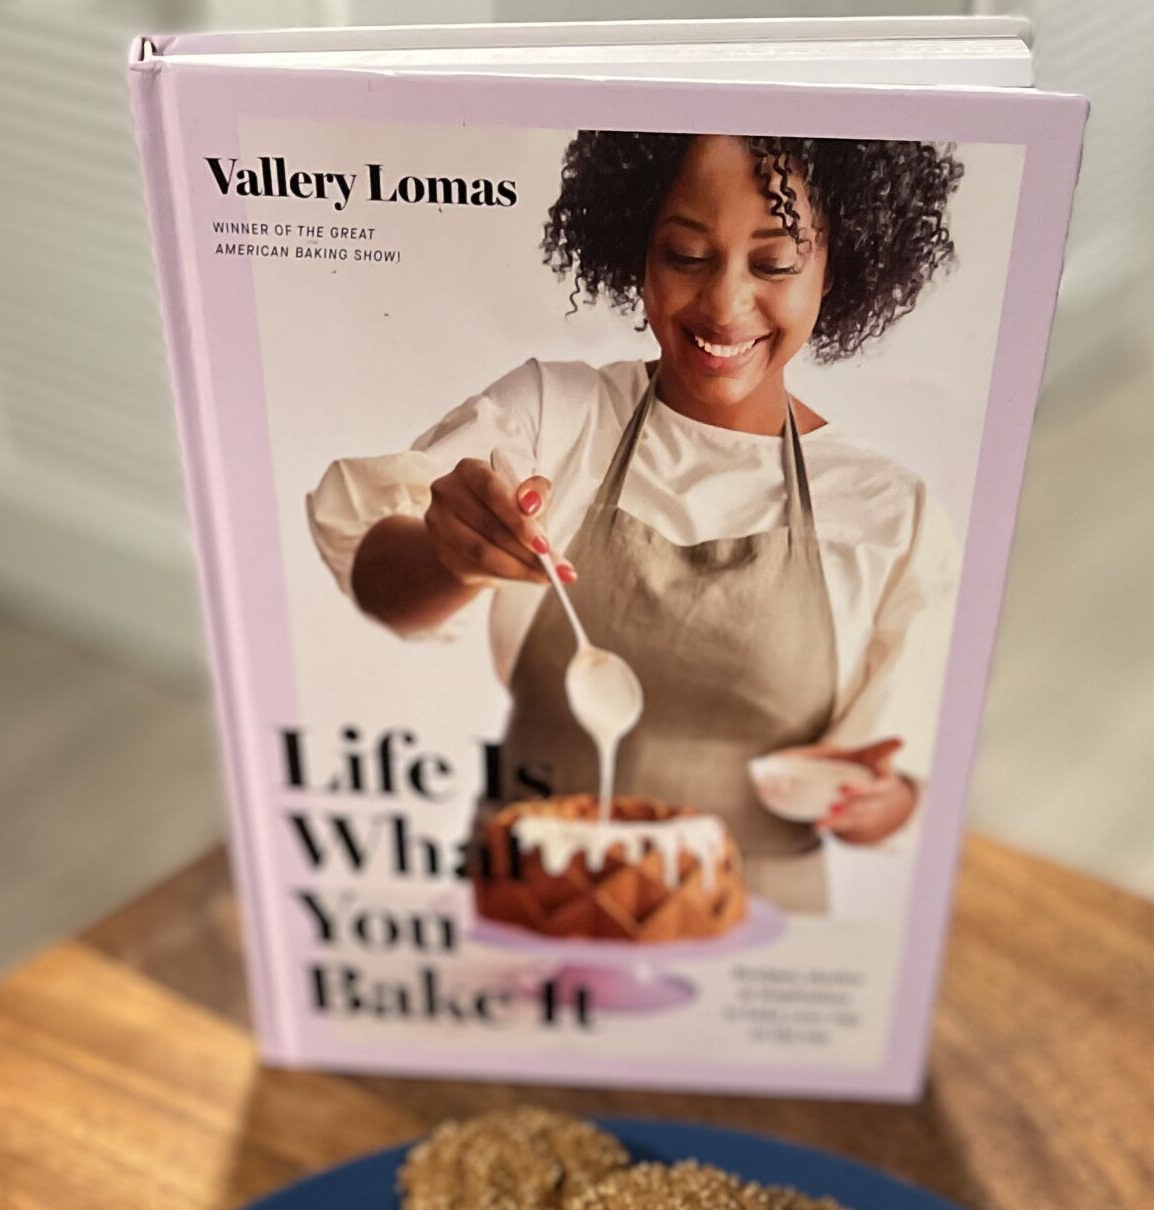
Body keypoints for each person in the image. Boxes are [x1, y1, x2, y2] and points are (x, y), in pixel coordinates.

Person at [307, 130, 963, 913]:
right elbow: (382, 583)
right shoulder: (555, 417)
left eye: (775, 263)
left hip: (754, 927)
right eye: (686, 255)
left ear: (838, 267)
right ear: (636, 257)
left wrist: (875, 804)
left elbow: (891, 785)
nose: (724, 303)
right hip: (534, 912)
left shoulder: (892, 513)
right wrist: (455, 558)